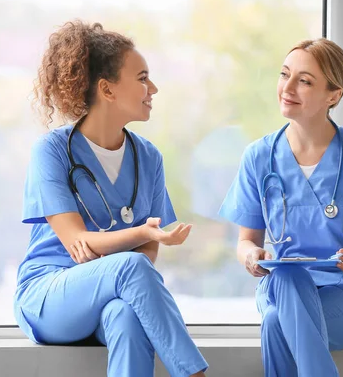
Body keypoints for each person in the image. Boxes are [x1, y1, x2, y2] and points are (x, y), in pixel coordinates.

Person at [14, 20, 208, 377]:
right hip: (50, 295)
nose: (154, 88)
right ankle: (195, 374)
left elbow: (147, 259)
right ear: (107, 89)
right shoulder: (53, 152)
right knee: (129, 266)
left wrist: (135, 245)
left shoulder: (149, 158)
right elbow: (78, 243)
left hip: (109, 299)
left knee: (128, 317)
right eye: (142, 78)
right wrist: (143, 234)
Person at [219, 38, 343, 376]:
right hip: (282, 284)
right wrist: (251, 256)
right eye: (284, 74)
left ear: (333, 95)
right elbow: (246, 241)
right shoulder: (258, 157)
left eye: (305, 80)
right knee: (288, 277)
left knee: (278, 324)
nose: (288, 87)